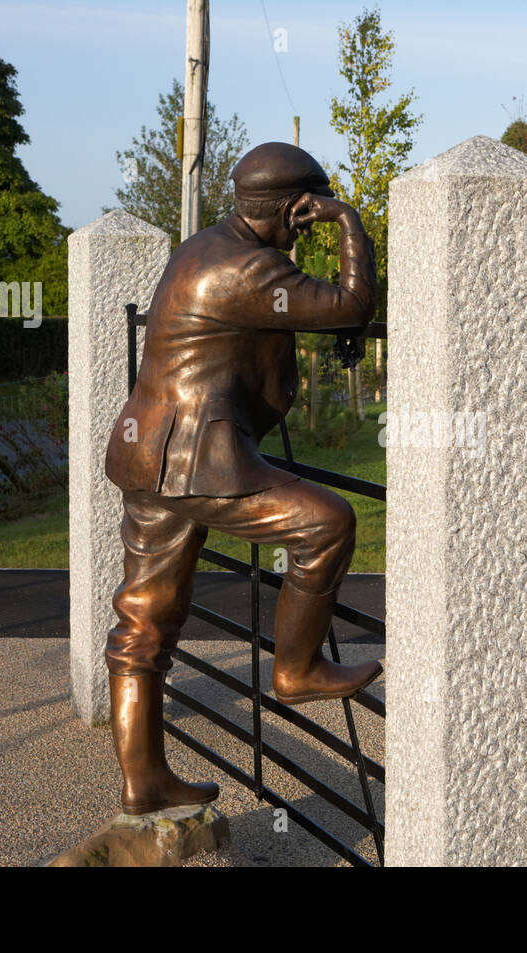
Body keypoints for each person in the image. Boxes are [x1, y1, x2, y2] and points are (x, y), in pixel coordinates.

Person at [101, 142, 382, 814]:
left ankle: (145, 783)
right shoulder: (246, 269)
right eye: (306, 214)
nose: (304, 228)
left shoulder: (204, 246)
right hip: (199, 458)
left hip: (149, 453)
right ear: (296, 207)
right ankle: (297, 668)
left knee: (142, 622)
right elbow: (348, 302)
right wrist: (349, 224)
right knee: (328, 522)